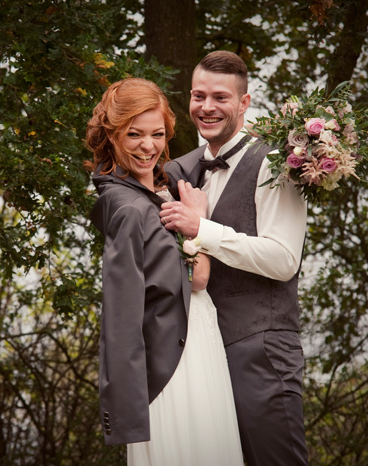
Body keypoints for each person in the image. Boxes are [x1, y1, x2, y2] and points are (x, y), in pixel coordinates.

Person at [160, 51, 310, 466]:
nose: (206, 107)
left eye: (220, 97)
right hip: (200, 353)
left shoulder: (276, 162)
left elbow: (283, 259)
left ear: (244, 103)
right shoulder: (183, 170)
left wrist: (201, 228)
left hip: (261, 348)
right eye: (198, 95)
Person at [85, 77, 243, 465]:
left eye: (157, 134)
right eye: (134, 134)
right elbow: (195, 278)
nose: (148, 146)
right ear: (113, 134)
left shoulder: (160, 187)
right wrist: (199, 221)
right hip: (175, 359)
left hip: (198, 341)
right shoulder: (128, 208)